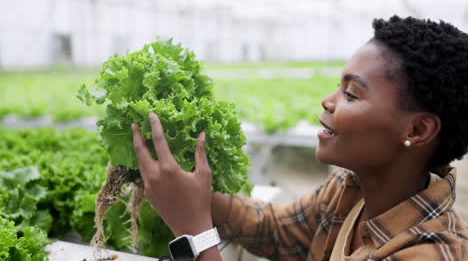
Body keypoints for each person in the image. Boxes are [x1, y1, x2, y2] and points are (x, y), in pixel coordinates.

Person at [131, 16, 468, 260]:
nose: (328, 101)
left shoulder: (434, 252)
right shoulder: (349, 191)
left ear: (417, 130)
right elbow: (277, 230)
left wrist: (194, 230)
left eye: (351, 94)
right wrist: (195, 195)